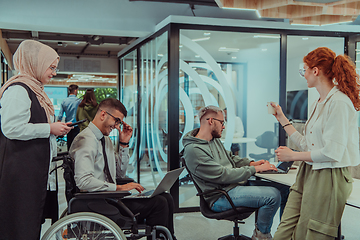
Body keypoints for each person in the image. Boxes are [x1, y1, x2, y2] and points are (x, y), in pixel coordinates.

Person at [271, 47, 360, 240]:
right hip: (309, 171)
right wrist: (282, 118)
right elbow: (307, 144)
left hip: (330, 175)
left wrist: (292, 156)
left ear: (315, 70)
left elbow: (332, 152)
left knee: (309, 234)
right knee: (283, 231)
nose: (303, 75)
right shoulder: (318, 102)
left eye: (304, 70)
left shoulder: (339, 103)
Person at [69, 98, 176, 239]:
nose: (117, 126)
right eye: (117, 120)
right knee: (159, 203)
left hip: (110, 197)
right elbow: (83, 181)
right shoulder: (86, 140)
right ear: (103, 115)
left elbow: (119, 173)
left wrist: (124, 143)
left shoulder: (104, 139)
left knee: (166, 197)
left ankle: (168, 238)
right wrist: (120, 188)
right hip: (98, 201)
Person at [0, 40, 73, 240]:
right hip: (20, 173)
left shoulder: (34, 89)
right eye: (51, 67)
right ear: (35, 63)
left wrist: (53, 130)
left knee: (30, 222)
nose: (54, 72)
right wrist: (50, 128)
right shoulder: (18, 90)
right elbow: (11, 128)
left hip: (32, 171)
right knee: (19, 225)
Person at [182, 105, 289, 240]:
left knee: (284, 189)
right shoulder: (194, 150)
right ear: (211, 121)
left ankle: (285, 234)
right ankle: (262, 236)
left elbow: (231, 159)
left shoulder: (213, 140)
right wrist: (255, 169)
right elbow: (223, 175)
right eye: (222, 122)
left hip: (234, 186)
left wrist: (251, 163)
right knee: (272, 196)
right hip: (220, 196)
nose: (224, 126)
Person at [58, 84, 81, 150]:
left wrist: (59, 126)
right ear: (75, 91)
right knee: (76, 146)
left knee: (69, 145)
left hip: (68, 126)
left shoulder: (64, 101)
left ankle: (69, 159)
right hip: (77, 126)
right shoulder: (79, 101)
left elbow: (60, 115)